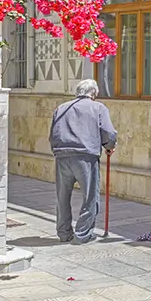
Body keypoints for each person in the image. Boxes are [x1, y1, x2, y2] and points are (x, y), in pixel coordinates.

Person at [49, 79, 117, 244]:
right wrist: (109, 145)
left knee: (62, 196)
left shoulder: (62, 108)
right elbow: (108, 132)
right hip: (86, 156)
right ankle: (82, 233)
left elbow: (53, 134)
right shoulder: (98, 108)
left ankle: (64, 233)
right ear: (93, 93)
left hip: (62, 156)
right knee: (90, 196)